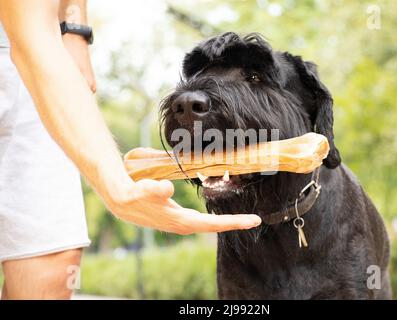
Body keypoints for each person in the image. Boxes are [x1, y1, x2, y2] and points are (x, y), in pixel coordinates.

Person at [0, 0, 261, 299]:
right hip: (36, 43)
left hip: (41, 50)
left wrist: (75, 30)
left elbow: (34, 30)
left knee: (51, 264)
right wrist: (116, 188)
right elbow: (30, 36)